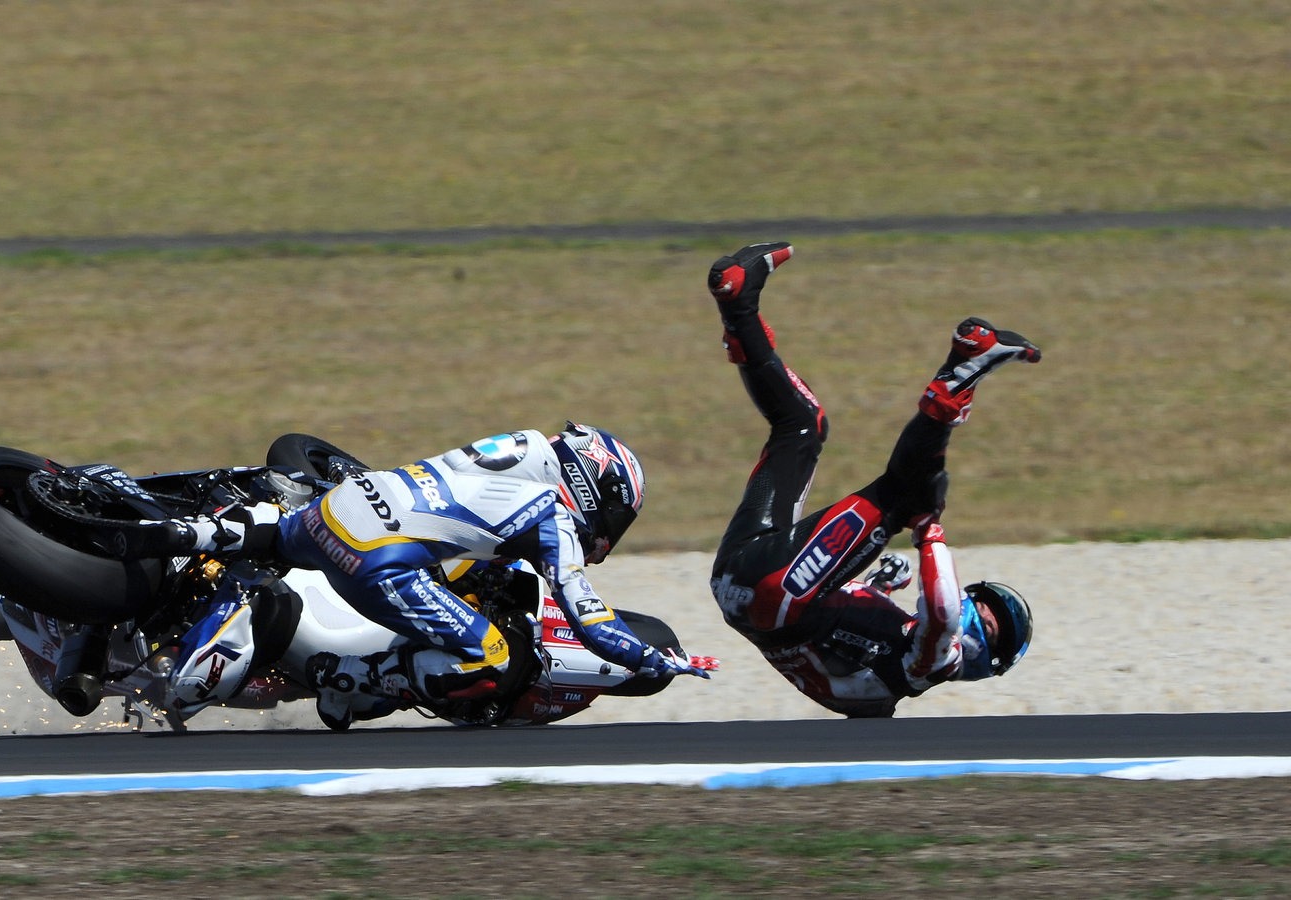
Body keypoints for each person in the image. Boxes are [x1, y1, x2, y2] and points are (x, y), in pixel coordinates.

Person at [121, 424, 711, 729]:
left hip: (344, 504)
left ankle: (181, 532)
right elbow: (588, 616)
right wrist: (651, 660)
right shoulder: (553, 516)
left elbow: (452, 523)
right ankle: (339, 678)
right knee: (491, 658)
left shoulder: (512, 452)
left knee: (275, 522)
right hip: (380, 567)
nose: (608, 533)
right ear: (590, 492)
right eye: (613, 517)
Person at [704, 240, 1038, 717]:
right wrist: (879, 587)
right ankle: (739, 306)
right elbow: (841, 638)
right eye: (983, 604)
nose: (978, 610)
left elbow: (941, 615)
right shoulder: (899, 655)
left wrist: (930, 533)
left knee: (907, 495)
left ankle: (962, 370)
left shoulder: (930, 667)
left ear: (986, 657)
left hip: (775, 597)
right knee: (802, 424)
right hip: (735, 580)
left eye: (991, 622)